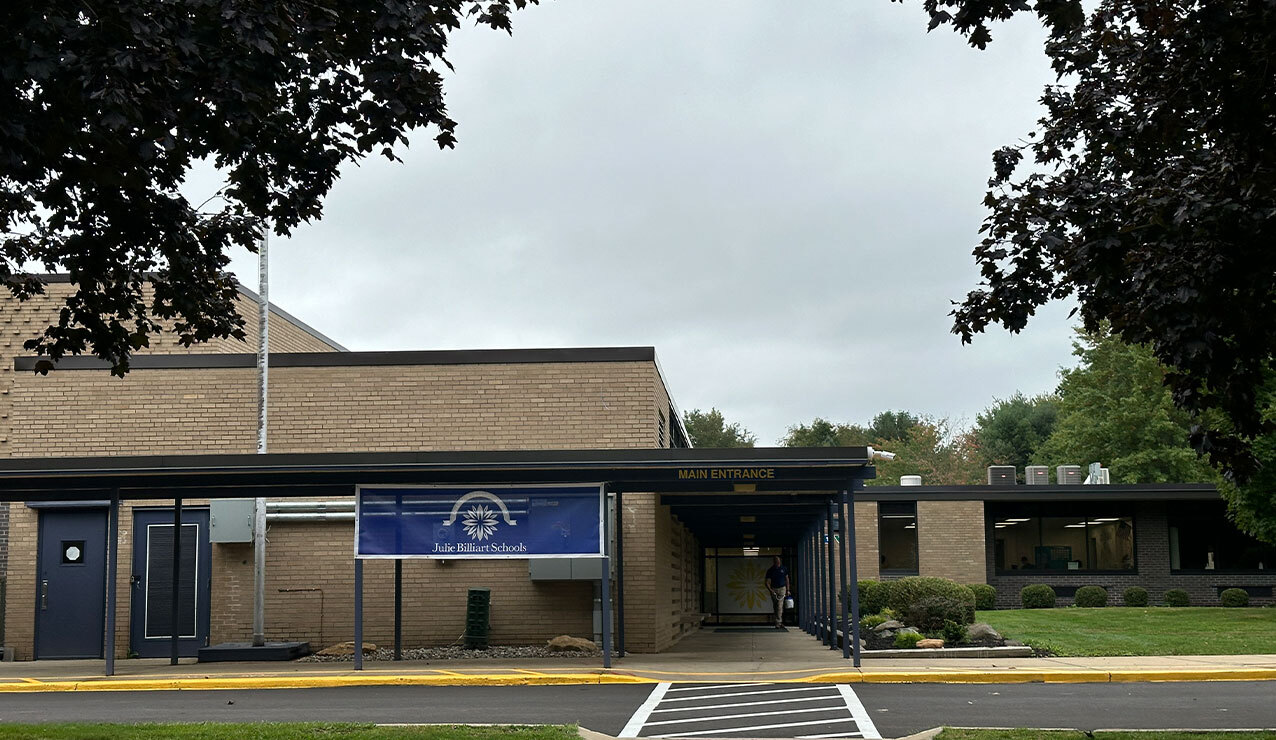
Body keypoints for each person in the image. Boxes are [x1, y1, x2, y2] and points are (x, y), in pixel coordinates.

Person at [764, 556, 789, 629]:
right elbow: (767, 582)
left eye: (778, 562)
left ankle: (778, 623)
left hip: (782, 589)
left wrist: (788, 590)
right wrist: (771, 590)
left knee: (779, 606)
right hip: (774, 589)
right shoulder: (770, 570)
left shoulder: (784, 569)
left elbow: (787, 579)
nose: (777, 563)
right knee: (775, 606)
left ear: (780, 561)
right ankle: (779, 622)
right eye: (776, 562)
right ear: (774, 562)